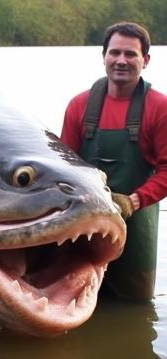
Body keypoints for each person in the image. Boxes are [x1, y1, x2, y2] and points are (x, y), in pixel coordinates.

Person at [60, 22, 167, 302]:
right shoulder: (79, 106)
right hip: (85, 228)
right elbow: (63, 168)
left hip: (137, 229)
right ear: (104, 56)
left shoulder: (160, 107)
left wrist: (132, 201)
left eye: (131, 54)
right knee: (75, 301)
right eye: (115, 52)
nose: (121, 60)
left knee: (134, 308)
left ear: (145, 60)